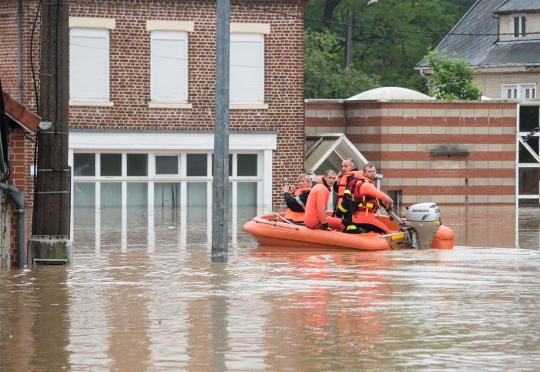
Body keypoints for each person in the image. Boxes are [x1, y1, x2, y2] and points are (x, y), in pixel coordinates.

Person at [340, 163, 395, 234]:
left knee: (379, 232)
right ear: (364, 174)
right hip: (364, 218)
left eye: (373, 171)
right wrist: (391, 203)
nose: (372, 173)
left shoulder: (363, 183)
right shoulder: (366, 185)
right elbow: (383, 196)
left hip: (358, 217)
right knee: (387, 232)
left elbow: (373, 200)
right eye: (369, 172)